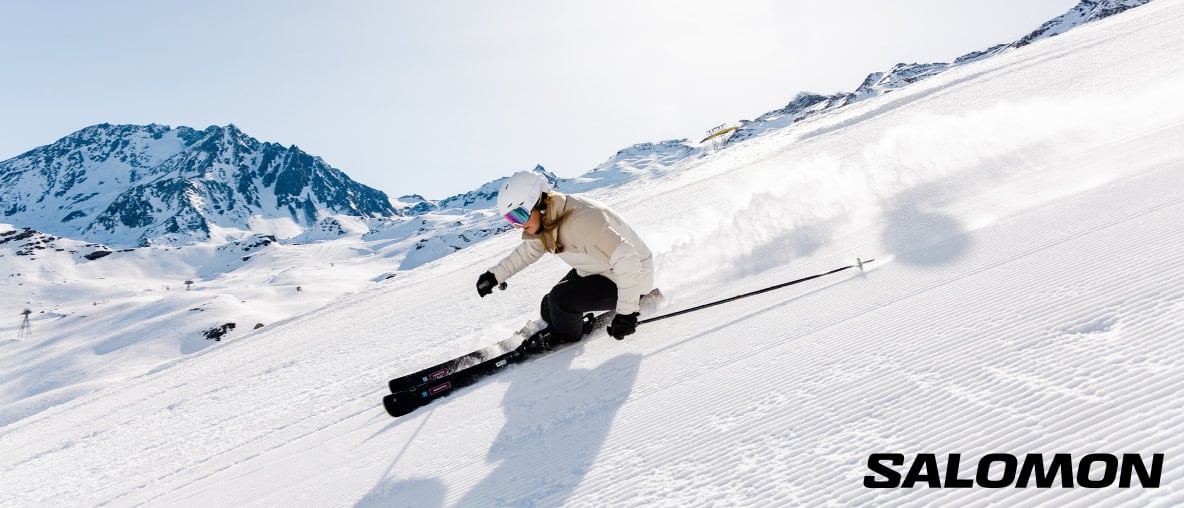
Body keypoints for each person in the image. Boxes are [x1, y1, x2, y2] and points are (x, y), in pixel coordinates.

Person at [476, 171, 654, 351]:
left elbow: (628, 258)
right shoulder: (550, 220)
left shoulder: (581, 221)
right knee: (549, 307)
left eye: (520, 216)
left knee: (560, 301)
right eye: (512, 220)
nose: (519, 225)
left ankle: (565, 336)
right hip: (601, 270)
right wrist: (493, 276)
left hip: (635, 276)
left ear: (540, 202)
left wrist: (627, 314)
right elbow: (527, 253)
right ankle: (564, 325)